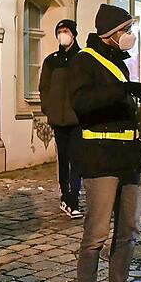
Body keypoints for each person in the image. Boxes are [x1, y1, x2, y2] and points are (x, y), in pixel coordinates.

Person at [69, 4, 141, 282]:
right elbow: (82, 104)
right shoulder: (84, 61)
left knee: (129, 229)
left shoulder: (118, 62)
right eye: (125, 30)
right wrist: (121, 90)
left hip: (127, 157)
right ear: (110, 33)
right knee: (96, 234)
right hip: (101, 157)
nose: (129, 35)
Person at [39, 19, 84, 219]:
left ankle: (74, 197)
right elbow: (44, 88)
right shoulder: (51, 60)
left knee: (77, 160)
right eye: (59, 31)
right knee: (63, 160)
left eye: (66, 30)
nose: (62, 34)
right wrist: (48, 109)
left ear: (73, 33)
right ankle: (65, 196)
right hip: (58, 119)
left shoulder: (82, 58)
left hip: (77, 119)